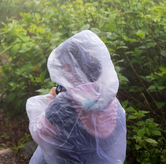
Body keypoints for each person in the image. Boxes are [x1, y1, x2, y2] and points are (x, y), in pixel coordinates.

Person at [27, 30, 126, 164]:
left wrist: (51, 98)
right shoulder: (113, 103)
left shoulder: (63, 106)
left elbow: (40, 131)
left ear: (67, 67)